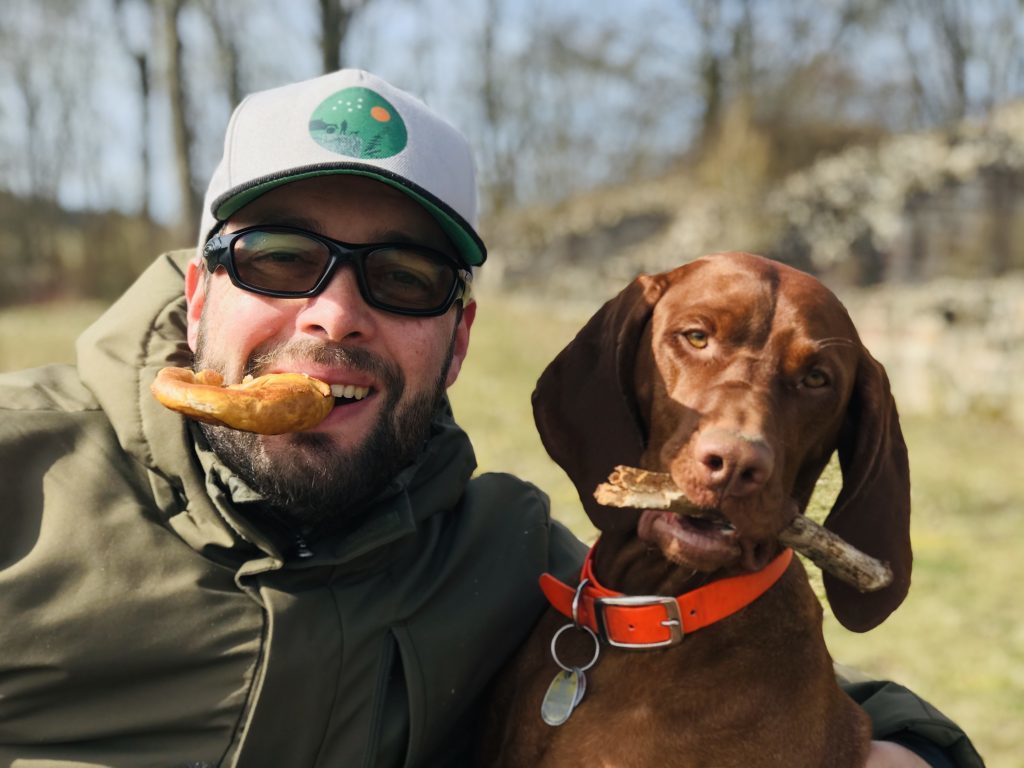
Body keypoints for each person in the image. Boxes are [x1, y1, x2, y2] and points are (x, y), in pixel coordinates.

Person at [0, 69, 982, 767]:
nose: (333, 312)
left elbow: (730, 663)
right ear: (202, 290)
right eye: (278, 257)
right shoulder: (19, 469)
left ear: (459, 338)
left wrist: (916, 752)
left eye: (403, 279)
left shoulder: (507, 558)